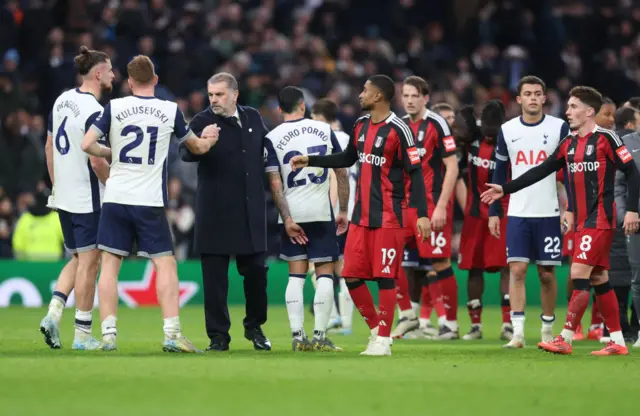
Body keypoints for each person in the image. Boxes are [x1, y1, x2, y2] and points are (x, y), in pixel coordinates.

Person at [482, 85, 640, 356]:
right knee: (600, 278)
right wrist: (505, 188)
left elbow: (633, 173)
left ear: (589, 111)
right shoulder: (568, 144)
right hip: (582, 221)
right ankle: (618, 341)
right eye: (567, 107)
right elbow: (542, 170)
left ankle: (565, 336)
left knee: (578, 274)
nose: (567, 111)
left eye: (573, 106)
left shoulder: (607, 139)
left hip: (600, 218)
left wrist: (633, 210)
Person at [82, 55, 217, 352]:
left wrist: (110, 152)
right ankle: (171, 333)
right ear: (155, 80)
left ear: (129, 82)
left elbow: (86, 144)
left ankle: (108, 336)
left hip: (116, 197)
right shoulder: (169, 110)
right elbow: (196, 147)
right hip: (149, 200)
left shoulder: (114, 107)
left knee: (110, 266)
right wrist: (210, 137)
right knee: (165, 263)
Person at [289, 74, 431, 356]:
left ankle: (383, 341)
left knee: (385, 277)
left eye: (365, 90)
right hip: (360, 217)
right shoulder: (360, 125)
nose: (360, 94)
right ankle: (378, 331)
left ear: (378, 96)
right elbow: (346, 158)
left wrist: (423, 215)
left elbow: (415, 174)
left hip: (390, 217)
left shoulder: (399, 130)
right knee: (352, 276)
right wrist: (312, 161)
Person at [179, 72, 272, 352]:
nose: (214, 100)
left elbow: (268, 151)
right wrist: (202, 143)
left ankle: (254, 326)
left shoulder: (253, 117)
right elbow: (186, 153)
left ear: (235, 94)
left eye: (219, 94)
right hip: (216, 212)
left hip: (249, 209)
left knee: (256, 272)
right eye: (211, 95)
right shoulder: (202, 121)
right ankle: (218, 336)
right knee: (215, 279)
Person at [39, 46, 113, 350]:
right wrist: (115, 186)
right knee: (90, 262)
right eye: (109, 70)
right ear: (97, 73)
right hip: (87, 197)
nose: (113, 75)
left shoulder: (61, 101)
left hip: (64, 195)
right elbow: (96, 161)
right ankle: (82, 334)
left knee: (77, 257)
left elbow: (48, 147)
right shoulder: (95, 111)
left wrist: (58, 187)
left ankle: (54, 313)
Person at [264, 87, 348, 351]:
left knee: (296, 277)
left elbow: (275, 183)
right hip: (321, 211)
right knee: (325, 274)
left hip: (294, 213)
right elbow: (341, 172)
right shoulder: (325, 131)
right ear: (302, 105)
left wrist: (287, 219)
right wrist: (343, 210)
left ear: (279, 110)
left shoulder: (271, 137)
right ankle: (320, 336)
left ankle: (298, 336)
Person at [490, 76, 570, 348]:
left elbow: (568, 171)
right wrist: (493, 211)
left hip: (548, 210)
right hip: (518, 212)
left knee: (547, 273)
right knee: (518, 270)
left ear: (544, 98)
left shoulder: (560, 127)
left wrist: (569, 207)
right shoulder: (508, 130)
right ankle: (519, 333)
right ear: (519, 99)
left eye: (538, 93)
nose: (533, 98)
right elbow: (499, 173)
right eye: (528, 93)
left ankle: (547, 330)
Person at [391, 76, 459, 340]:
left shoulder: (437, 124)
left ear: (425, 98)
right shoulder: (398, 125)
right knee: (391, 257)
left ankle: (450, 325)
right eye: (405, 95)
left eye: (414, 96)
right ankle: (407, 316)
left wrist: (441, 207)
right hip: (404, 206)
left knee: (440, 262)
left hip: (431, 205)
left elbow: (452, 167)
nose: (409, 100)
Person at [455, 101, 513, 341]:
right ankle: (475, 325)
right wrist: (462, 117)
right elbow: (457, 131)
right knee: (473, 268)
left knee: (507, 266)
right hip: (475, 215)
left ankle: (508, 324)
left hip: (503, 213)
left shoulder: (511, 138)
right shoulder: (473, 138)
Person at [310, 98, 356, 336]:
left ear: (319, 118)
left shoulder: (327, 140)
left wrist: (329, 210)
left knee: (318, 265)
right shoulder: (352, 139)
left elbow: (336, 179)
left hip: (337, 212)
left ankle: (334, 316)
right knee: (343, 268)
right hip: (356, 212)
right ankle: (345, 322)